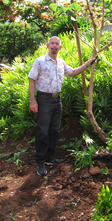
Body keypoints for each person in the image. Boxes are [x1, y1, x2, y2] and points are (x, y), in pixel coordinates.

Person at [28, 36, 96, 176]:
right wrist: (32, 101)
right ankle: (40, 160)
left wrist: (88, 64)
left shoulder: (61, 63)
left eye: (57, 44)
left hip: (57, 99)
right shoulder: (39, 61)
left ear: (60, 47)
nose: (54, 46)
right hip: (44, 99)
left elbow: (73, 72)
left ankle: (49, 156)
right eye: (52, 43)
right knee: (43, 130)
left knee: (54, 129)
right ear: (47, 45)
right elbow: (32, 80)